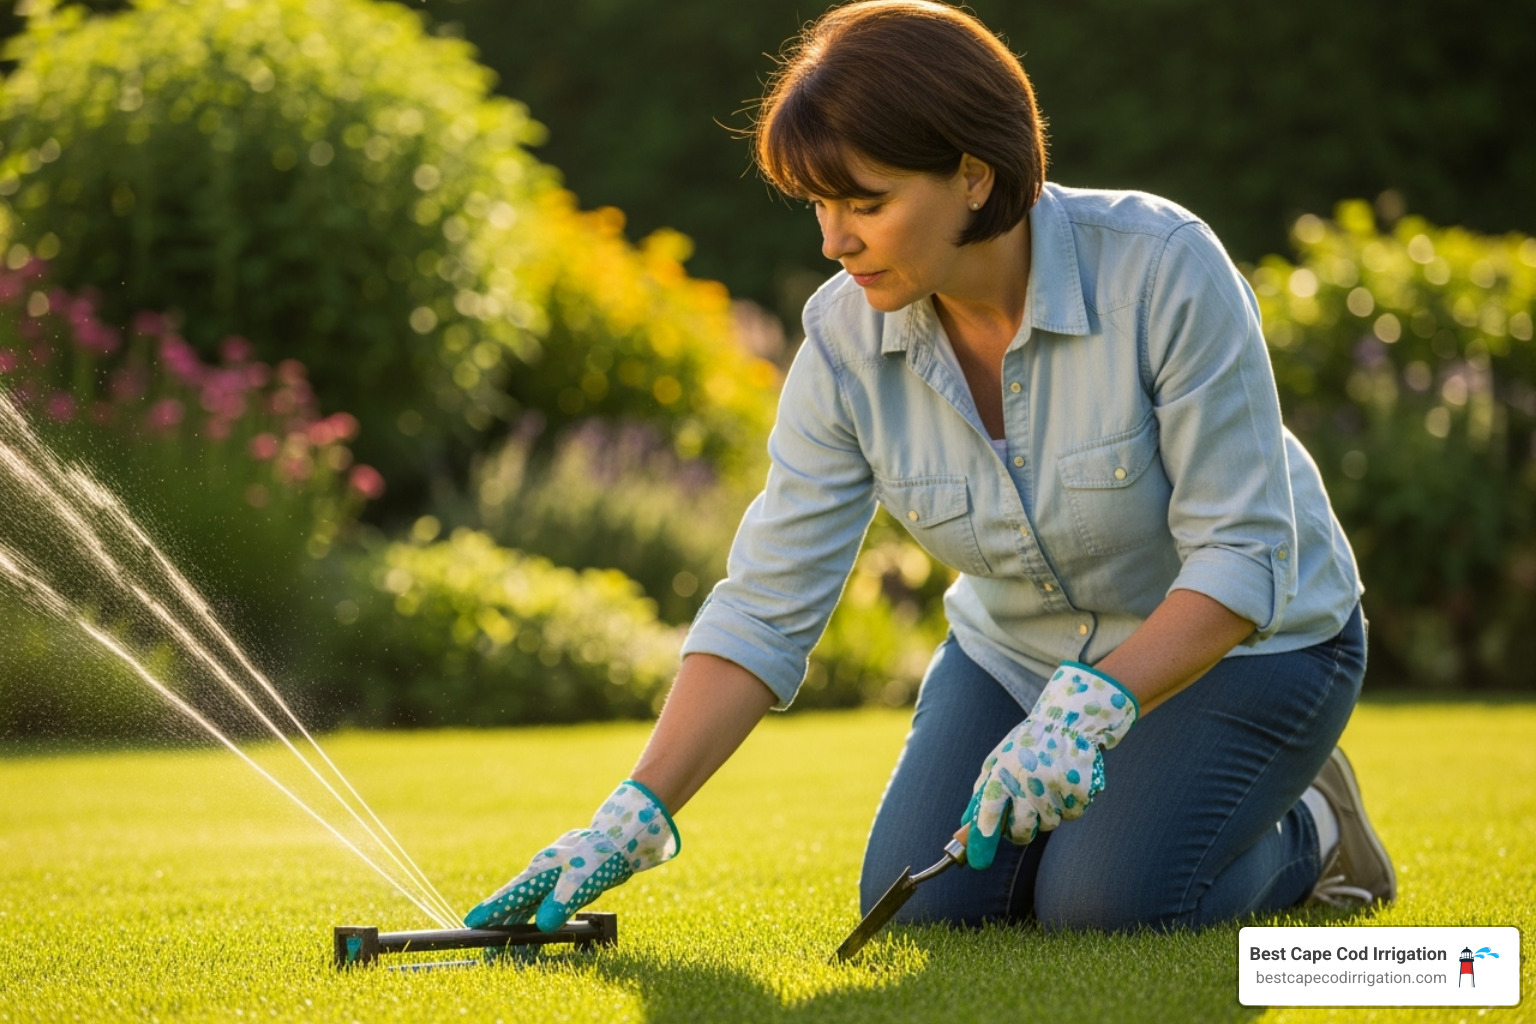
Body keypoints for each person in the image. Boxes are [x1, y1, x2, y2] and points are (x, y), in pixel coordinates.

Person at [463, 0, 1394, 936]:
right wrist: (632, 817)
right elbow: (766, 603)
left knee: (1105, 906)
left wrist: (1100, 703)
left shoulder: (1162, 270)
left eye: (867, 203)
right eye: (820, 206)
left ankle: (1314, 831)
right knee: (921, 910)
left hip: (1253, 647)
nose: (834, 240)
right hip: (1019, 653)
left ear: (974, 177)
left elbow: (1241, 557)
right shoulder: (841, 344)